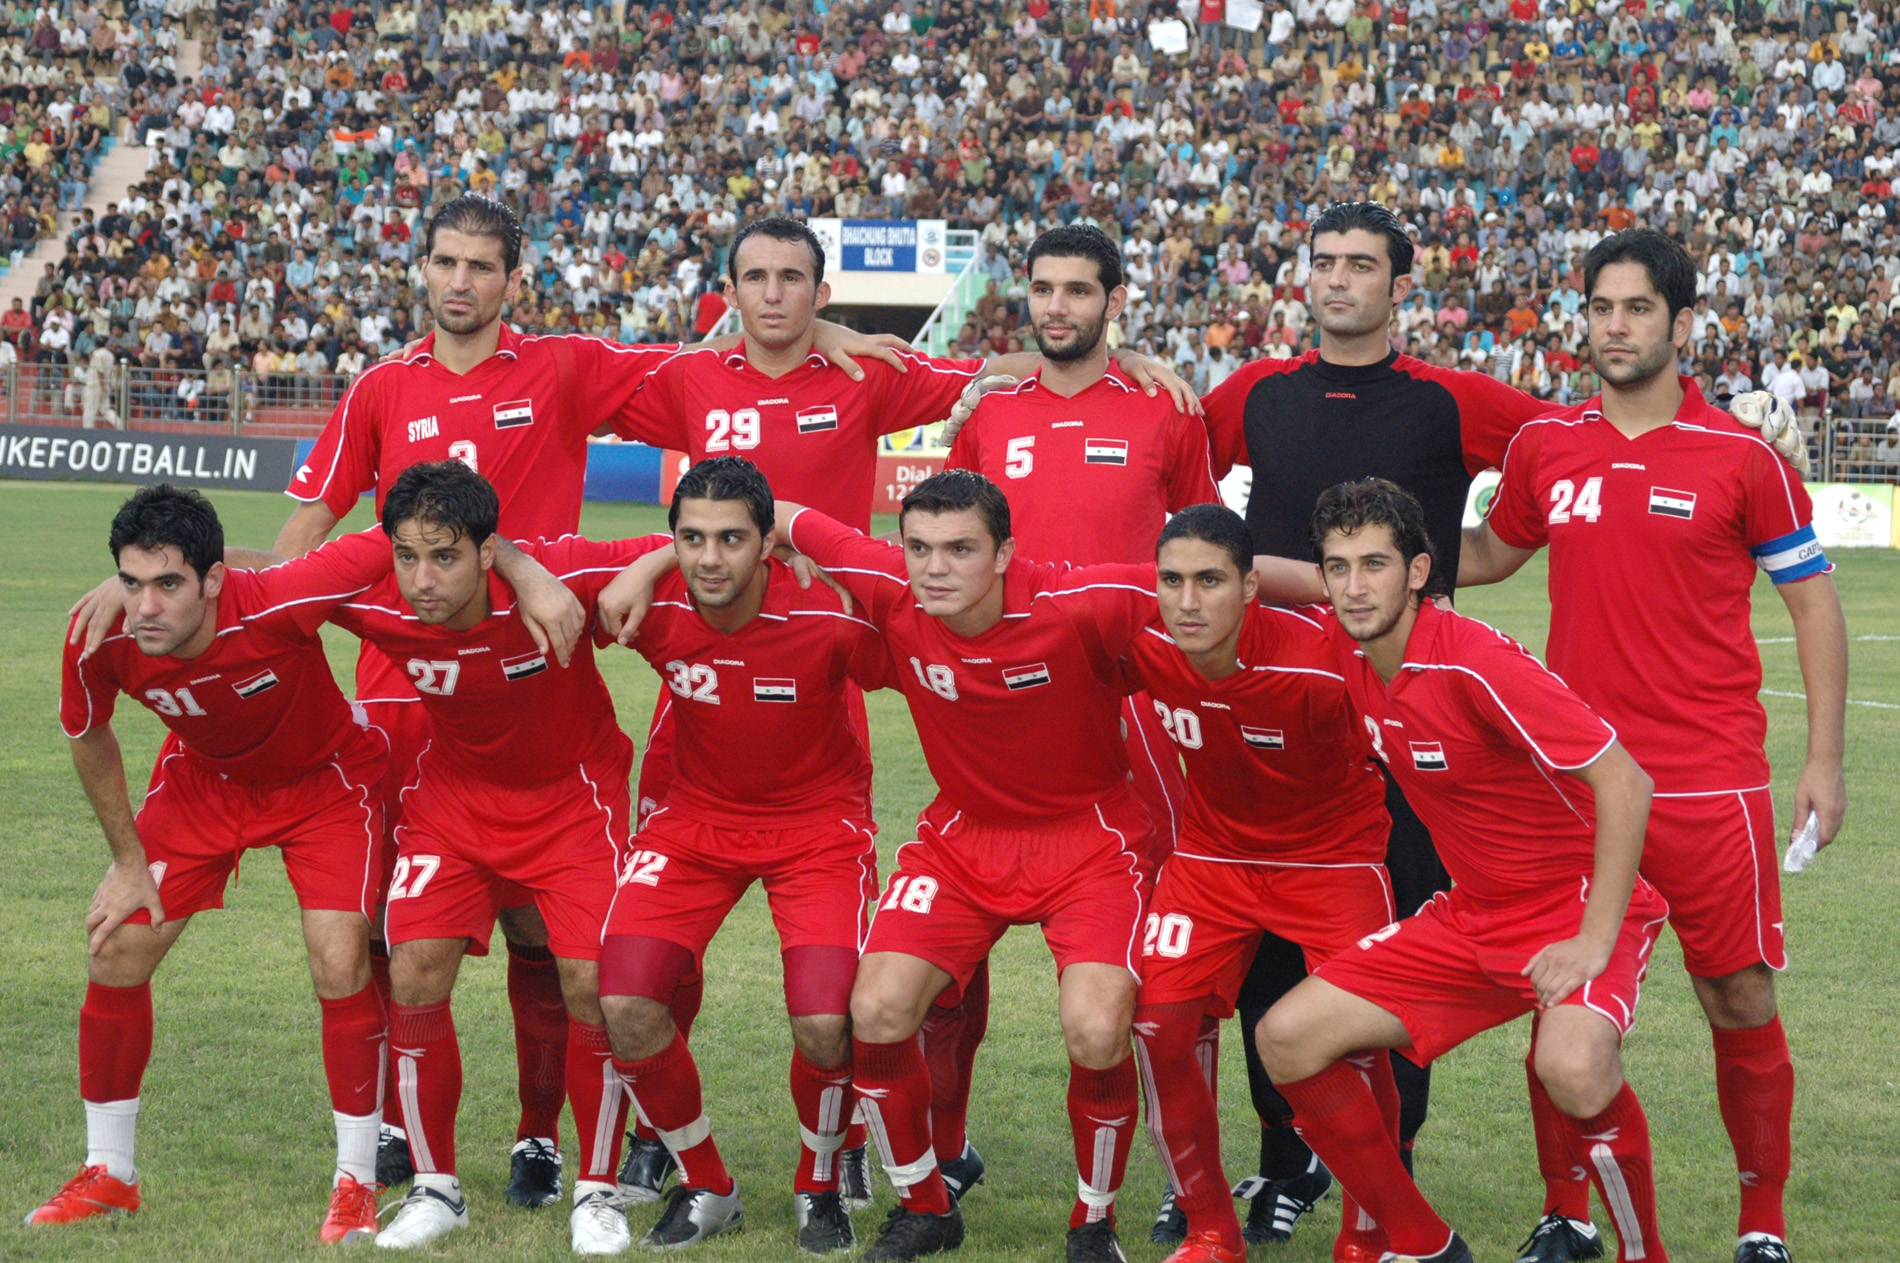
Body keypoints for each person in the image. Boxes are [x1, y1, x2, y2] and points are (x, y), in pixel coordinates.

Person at [275, 195, 900, 1203]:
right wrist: (272, 623)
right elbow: (313, 518)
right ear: (422, 269)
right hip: (404, 688)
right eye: (445, 262)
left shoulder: (564, 364)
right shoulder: (382, 386)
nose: (462, 281)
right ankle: (396, 1124)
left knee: (543, 930)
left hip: (535, 673)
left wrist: (815, 326)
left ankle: (538, 1135)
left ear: (514, 279)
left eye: (483, 265)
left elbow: (729, 353)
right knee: (391, 930)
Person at [604, 214, 1193, 1206]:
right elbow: (575, 385)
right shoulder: (687, 378)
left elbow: (1010, 365)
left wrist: (1122, 352)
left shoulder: (867, 375)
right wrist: (663, 556)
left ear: (820, 292)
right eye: (757, 278)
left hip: (853, 659)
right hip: (704, 678)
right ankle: (658, 1134)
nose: (776, 295)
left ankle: (890, 1158)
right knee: (656, 943)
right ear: (732, 291)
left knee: (977, 954)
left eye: (795, 278)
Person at [1461, 229, 1848, 1263]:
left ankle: (1759, 1220)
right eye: (1600, 308)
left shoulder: (1740, 459)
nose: (1615, 327)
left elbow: (1812, 606)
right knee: (1557, 993)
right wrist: (1372, 554)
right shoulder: (1547, 445)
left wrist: (1822, 760)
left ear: (1681, 324)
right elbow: (1494, 553)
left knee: (1738, 995)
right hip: (1579, 787)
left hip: (1709, 783)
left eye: (1636, 310)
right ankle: (1566, 1210)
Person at [1257, 477, 1673, 1263]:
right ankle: (1421, 1240)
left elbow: (1625, 779)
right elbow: (1270, 576)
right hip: (1472, 914)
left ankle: (1643, 1251)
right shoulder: (1348, 646)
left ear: (1418, 572)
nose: (1353, 585)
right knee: (1286, 1037)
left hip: (1569, 904)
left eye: (1374, 564)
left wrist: (1593, 940)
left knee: (1575, 1067)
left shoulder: (1475, 661)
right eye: (1337, 566)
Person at [780, 470, 1159, 1263]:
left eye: (959, 549)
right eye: (919, 547)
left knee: (1095, 1026)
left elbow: (1219, 576)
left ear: (1005, 554)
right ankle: (927, 1205)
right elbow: (775, 511)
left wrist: (1358, 600)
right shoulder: (888, 584)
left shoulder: (1078, 600)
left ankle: (1093, 1224)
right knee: (876, 1008)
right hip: (962, 836)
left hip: (1089, 838)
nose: (934, 567)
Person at [294, 461, 659, 1254]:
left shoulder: (564, 579)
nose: (423, 579)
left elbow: (687, 544)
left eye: (445, 556)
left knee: (591, 980)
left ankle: (596, 1192)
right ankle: (436, 1188)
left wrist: (533, 567)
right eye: (407, 556)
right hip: (454, 799)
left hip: (570, 799)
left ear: (487, 552)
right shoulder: (379, 596)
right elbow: (264, 592)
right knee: (414, 967)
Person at [939, 222, 1218, 1238]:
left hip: (1139, 706)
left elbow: (1204, 557)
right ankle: (946, 1143)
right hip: (1000, 706)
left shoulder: (1163, 409)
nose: (1056, 307)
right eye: (1043, 291)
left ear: (1113, 301)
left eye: (1076, 291)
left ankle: (1184, 1178)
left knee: (1170, 954)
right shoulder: (990, 411)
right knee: (948, 946)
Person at [35, 485, 391, 1244]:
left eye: (169, 584)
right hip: (205, 781)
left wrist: (523, 573)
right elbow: (88, 732)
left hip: (325, 780)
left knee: (338, 959)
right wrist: (128, 860)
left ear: (214, 579)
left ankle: (357, 1181)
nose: (146, 606)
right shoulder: (98, 635)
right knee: (119, 943)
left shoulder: (273, 599)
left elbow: (396, 536)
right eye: (131, 582)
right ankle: (110, 1172)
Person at [588, 457, 892, 1254]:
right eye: (690, 539)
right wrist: (634, 570)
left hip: (817, 827)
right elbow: (528, 567)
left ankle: (818, 1183)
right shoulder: (649, 608)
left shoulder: (827, 614)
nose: (709, 558)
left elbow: (921, 640)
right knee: (624, 1001)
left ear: (769, 546)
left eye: (731, 539)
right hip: (694, 822)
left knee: (827, 1021)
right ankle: (705, 1181)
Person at [1120, 503, 1397, 1263]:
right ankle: (1210, 1226)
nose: (1186, 600)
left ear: (1251, 587)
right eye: (1171, 580)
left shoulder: (1324, 661)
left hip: (1334, 861)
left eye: (1210, 580)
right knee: (1158, 1026)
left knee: (1360, 1041)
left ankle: (1370, 1230)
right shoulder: (1139, 635)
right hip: (1211, 861)